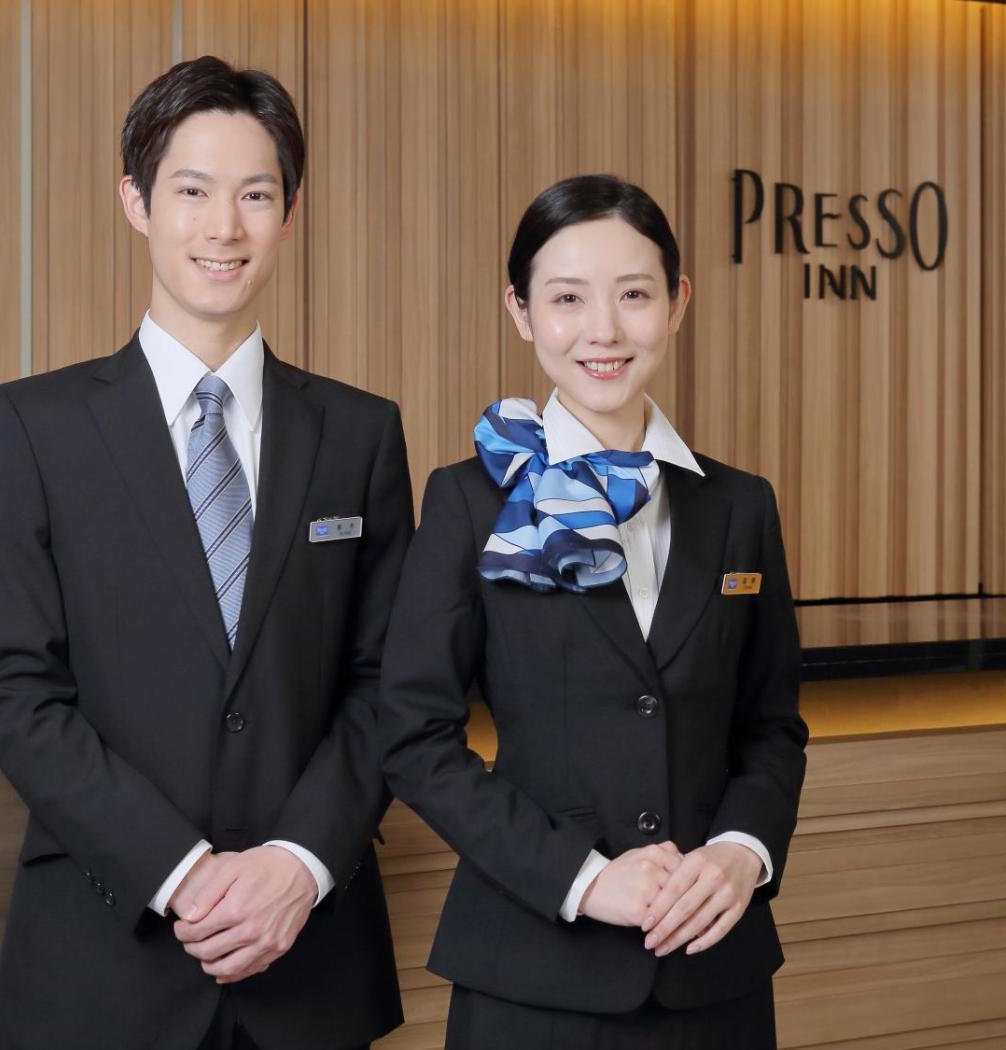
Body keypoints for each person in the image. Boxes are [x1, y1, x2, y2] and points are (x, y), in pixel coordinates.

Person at [0, 56, 408, 1050]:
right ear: (137, 202)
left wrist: (298, 861)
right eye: (193, 192)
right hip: (100, 957)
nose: (224, 228)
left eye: (256, 195)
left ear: (289, 213)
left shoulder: (360, 434)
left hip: (311, 961)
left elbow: (388, 680)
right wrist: (182, 872)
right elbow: (15, 689)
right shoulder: (34, 428)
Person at [378, 173, 809, 1049]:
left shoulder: (741, 507)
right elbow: (413, 738)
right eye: (568, 298)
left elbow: (770, 727)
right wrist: (582, 878)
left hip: (711, 966)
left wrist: (743, 852)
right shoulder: (469, 501)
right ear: (521, 311)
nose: (603, 330)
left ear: (677, 303)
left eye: (634, 295)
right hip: (534, 972)